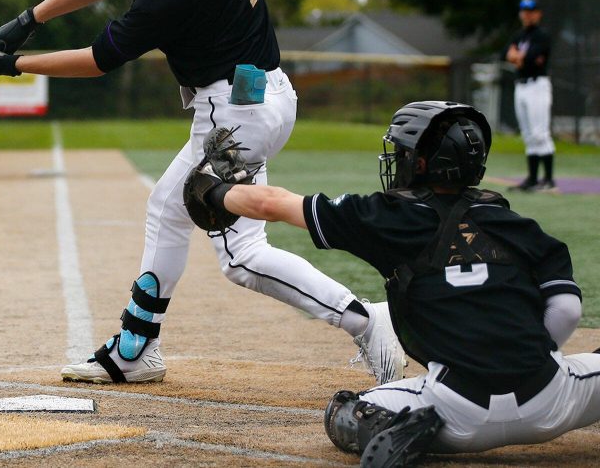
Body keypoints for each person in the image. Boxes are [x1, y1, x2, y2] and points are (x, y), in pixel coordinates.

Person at [0, 0, 404, 386]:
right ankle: (137, 345)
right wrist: (28, 22)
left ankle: (366, 319)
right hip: (266, 97)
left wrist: (12, 65)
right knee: (169, 208)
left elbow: (98, 58)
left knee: (241, 255)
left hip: (233, 119)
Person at [187, 100, 599, 466]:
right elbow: (567, 313)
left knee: (347, 412)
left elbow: (270, 204)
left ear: (419, 163)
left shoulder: (385, 217)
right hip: (552, 399)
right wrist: (521, 359)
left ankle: (408, 433)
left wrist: (215, 191)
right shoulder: (522, 227)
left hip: (457, 413)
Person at [503, 0, 556, 191]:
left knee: (539, 132)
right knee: (527, 134)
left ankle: (548, 180)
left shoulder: (542, 35)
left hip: (537, 85)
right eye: (524, 11)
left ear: (538, 13)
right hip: (521, 86)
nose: (527, 14)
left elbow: (532, 58)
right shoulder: (519, 35)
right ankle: (533, 179)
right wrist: (518, 58)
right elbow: (506, 55)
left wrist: (517, 57)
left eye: (531, 11)